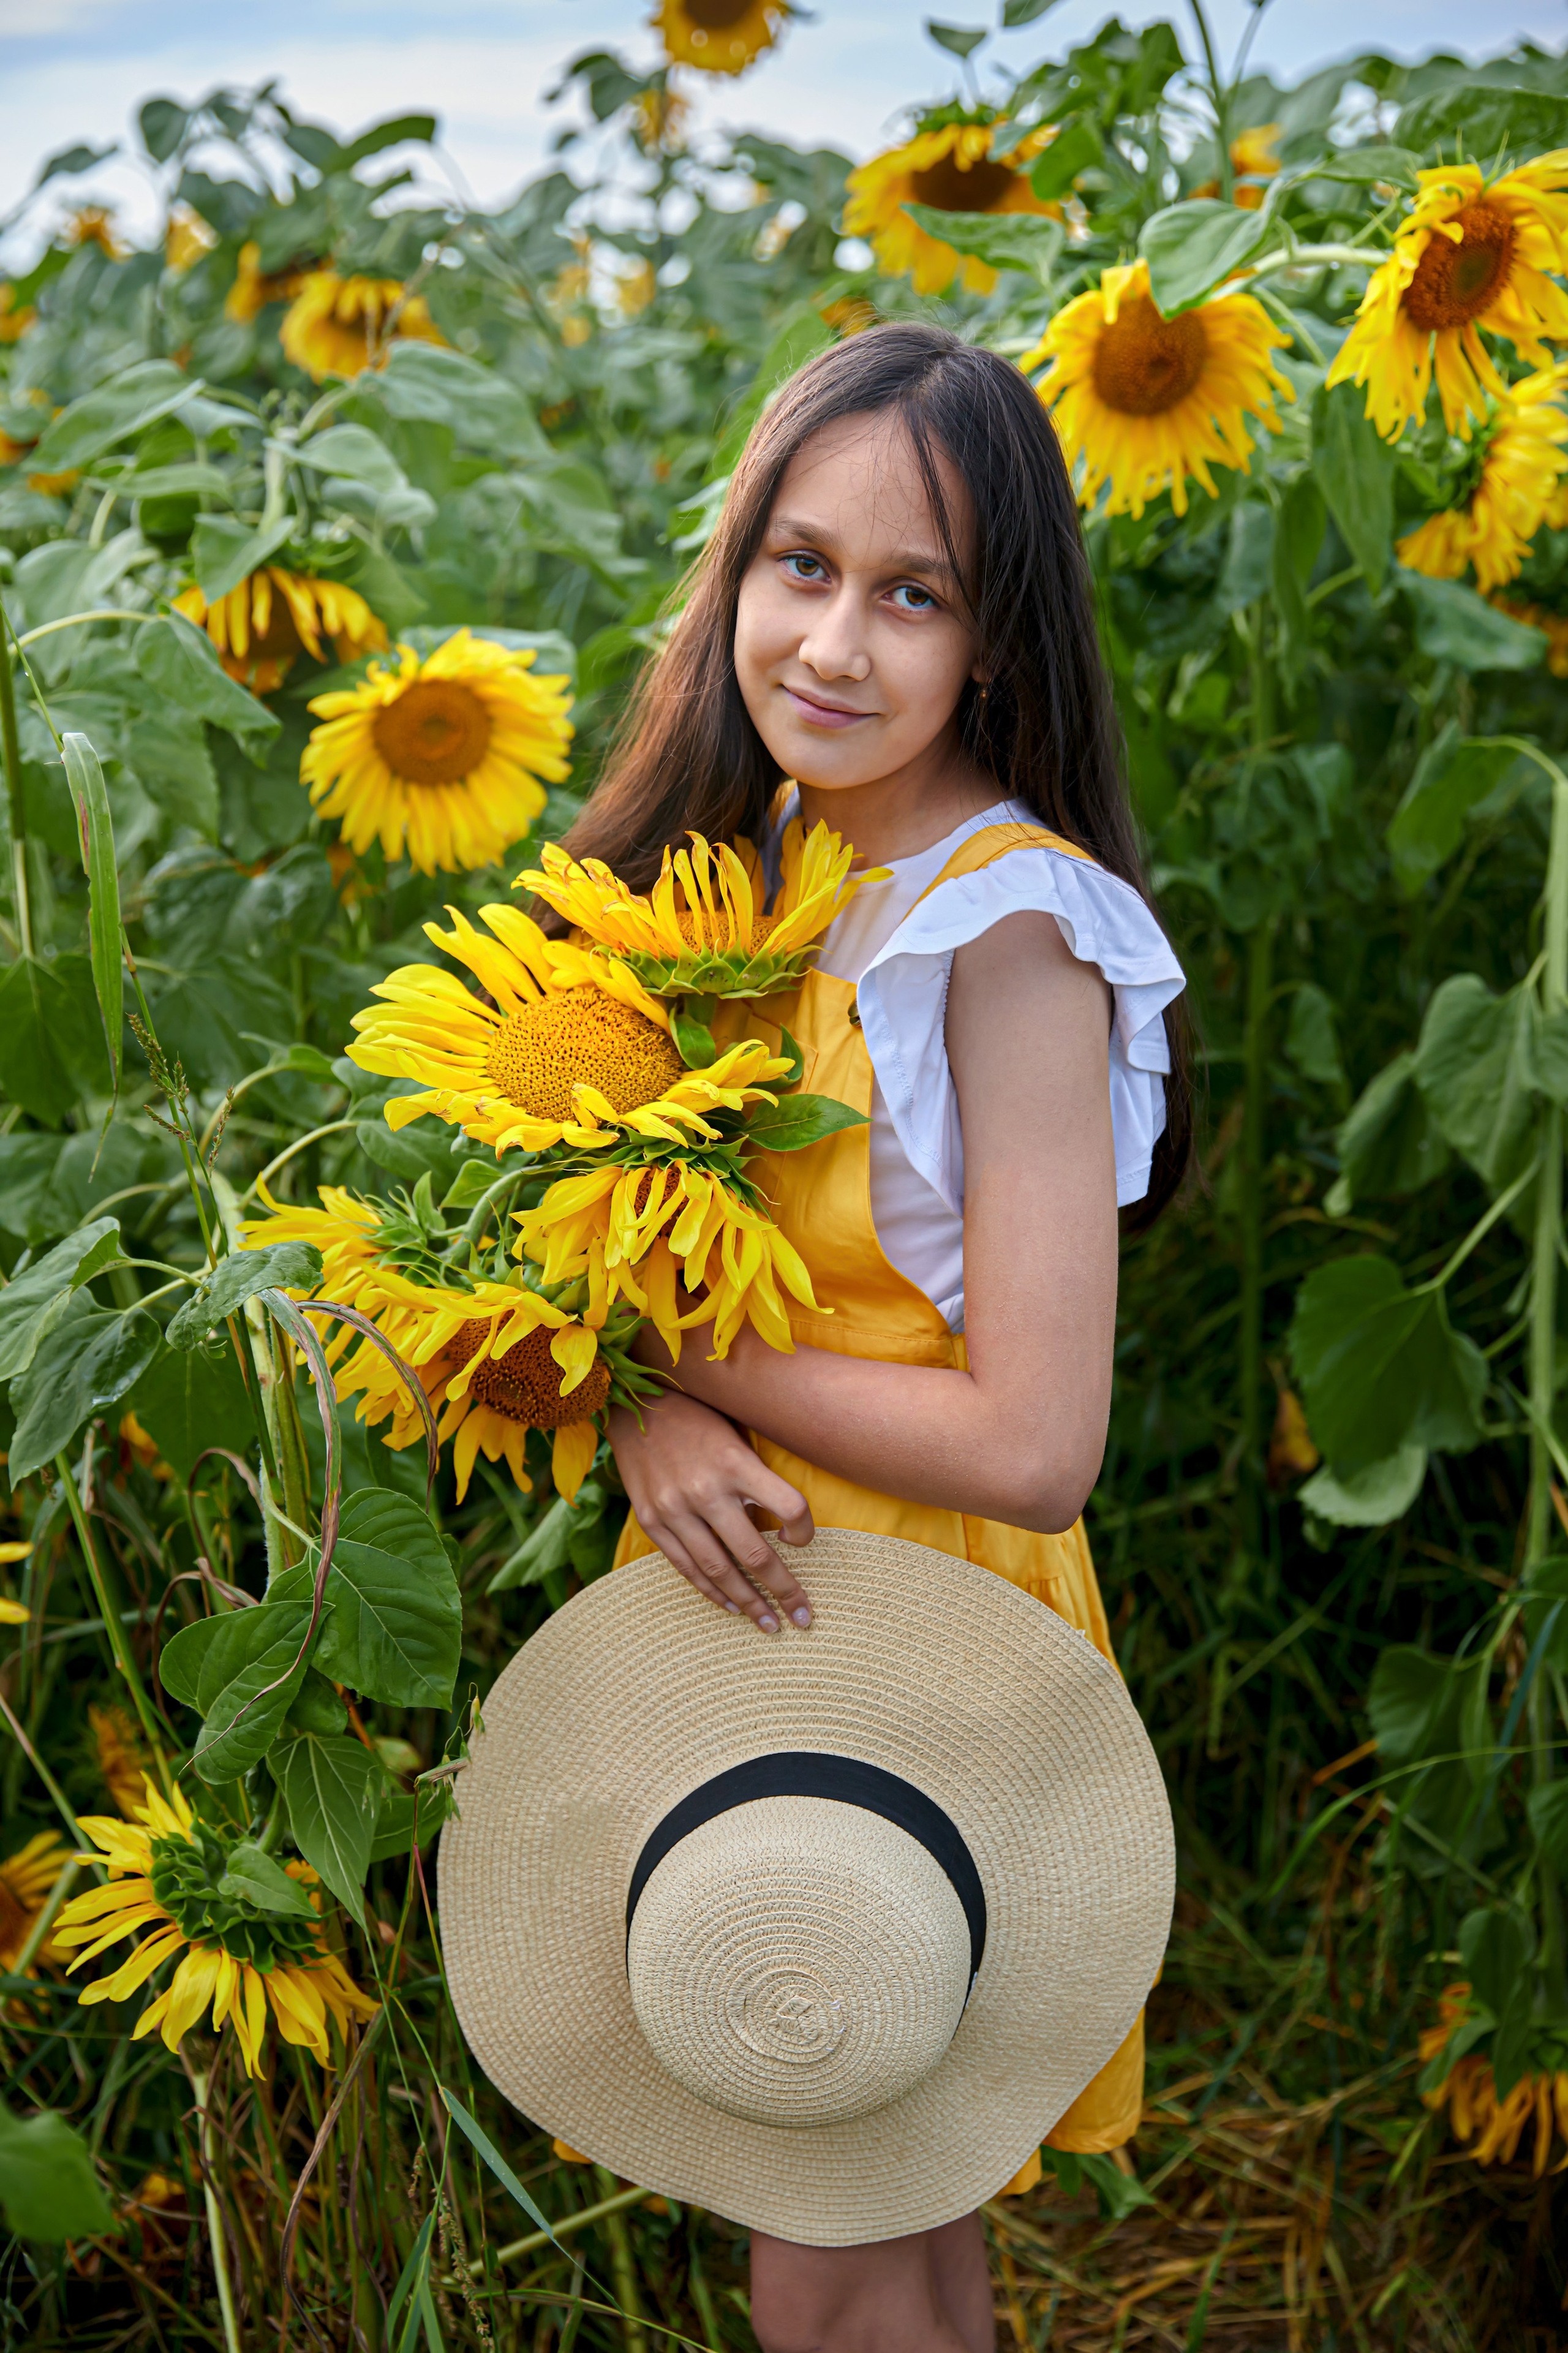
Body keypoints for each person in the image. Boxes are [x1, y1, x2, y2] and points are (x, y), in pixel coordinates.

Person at [560, 320, 1189, 2353]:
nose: (833, 641)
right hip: (759, 1620)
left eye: (910, 594)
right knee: (889, 2225)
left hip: (916, 1638)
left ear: (999, 640)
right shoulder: (746, 879)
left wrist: (674, 1357)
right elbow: (571, 1231)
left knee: (818, 2236)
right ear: (732, 570)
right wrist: (636, 1402)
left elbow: (1033, 1438)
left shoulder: (1005, 936)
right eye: (799, 566)